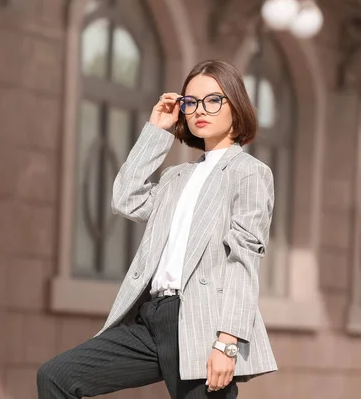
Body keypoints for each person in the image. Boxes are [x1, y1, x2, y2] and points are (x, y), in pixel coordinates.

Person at [37, 59, 278, 399]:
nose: (199, 110)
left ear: (235, 106)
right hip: (151, 322)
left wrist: (227, 342)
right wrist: (157, 130)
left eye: (213, 100)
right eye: (190, 102)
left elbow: (243, 261)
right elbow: (126, 198)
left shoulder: (249, 172)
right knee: (56, 376)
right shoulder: (176, 177)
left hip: (202, 323)